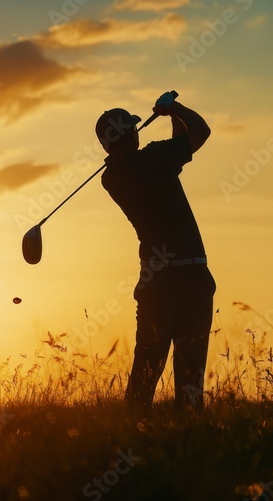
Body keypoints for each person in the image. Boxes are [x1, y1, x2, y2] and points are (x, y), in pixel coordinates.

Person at [95, 92, 215, 412]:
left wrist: (170, 118)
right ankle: (185, 444)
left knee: (146, 371)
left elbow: (177, 148)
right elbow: (199, 131)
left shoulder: (112, 177)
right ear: (132, 134)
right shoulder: (156, 158)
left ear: (107, 145)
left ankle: (133, 441)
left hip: (155, 281)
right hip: (191, 276)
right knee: (190, 377)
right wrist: (171, 109)